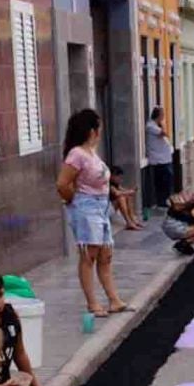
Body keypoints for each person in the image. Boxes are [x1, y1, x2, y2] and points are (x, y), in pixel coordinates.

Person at [57, 109, 129, 319]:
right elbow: (62, 183)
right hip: (86, 207)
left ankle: (114, 299)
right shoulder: (77, 154)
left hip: (101, 206)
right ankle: (92, 302)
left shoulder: (92, 153)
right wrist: (73, 200)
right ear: (92, 130)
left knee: (105, 254)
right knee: (90, 254)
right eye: (98, 127)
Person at [144, 107, 176, 210]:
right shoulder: (150, 126)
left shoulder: (156, 125)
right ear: (157, 115)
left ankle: (165, 200)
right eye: (162, 114)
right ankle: (161, 201)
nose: (163, 117)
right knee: (162, 181)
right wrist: (162, 126)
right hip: (158, 159)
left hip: (164, 158)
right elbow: (164, 133)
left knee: (168, 180)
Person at [108, 164, 145, 230]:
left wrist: (131, 191)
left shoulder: (116, 184)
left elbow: (123, 190)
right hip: (107, 208)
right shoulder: (109, 184)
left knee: (127, 196)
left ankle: (132, 219)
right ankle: (128, 222)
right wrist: (128, 192)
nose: (120, 179)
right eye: (118, 177)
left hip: (112, 207)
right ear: (112, 176)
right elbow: (117, 193)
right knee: (121, 198)